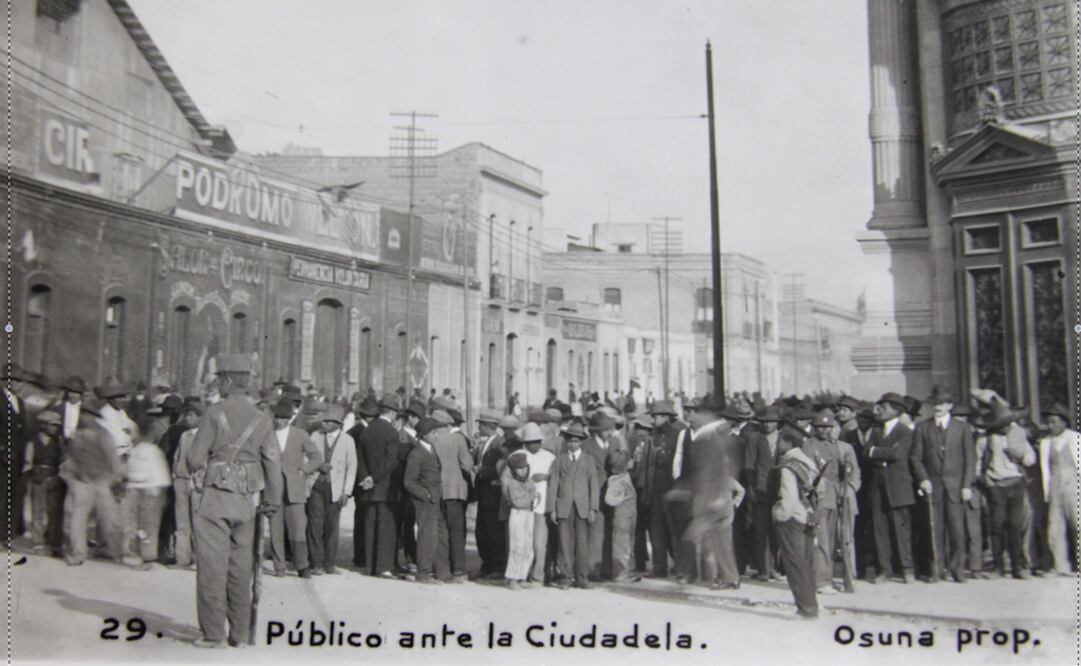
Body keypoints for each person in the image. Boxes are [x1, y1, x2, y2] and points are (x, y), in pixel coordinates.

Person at [187, 354, 282, 648]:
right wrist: (273, 501)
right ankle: (239, 634)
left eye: (219, 379)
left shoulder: (214, 413)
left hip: (216, 499)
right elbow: (273, 463)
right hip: (249, 502)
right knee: (241, 569)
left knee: (212, 568)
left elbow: (193, 459)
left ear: (227, 380)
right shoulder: (263, 417)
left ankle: (213, 633)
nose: (218, 383)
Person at [909, 386, 976, 583]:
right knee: (934, 530)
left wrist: (966, 485)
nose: (938, 407)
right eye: (935, 404)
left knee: (957, 531)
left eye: (942, 404)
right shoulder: (922, 428)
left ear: (949, 406)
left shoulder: (962, 428)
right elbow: (915, 458)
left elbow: (969, 459)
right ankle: (936, 570)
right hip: (933, 488)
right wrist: (923, 479)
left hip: (956, 488)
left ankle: (957, 570)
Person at [973, 389, 1035, 579]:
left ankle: (1018, 566)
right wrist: (986, 480)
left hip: (1015, 484)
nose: (1008, 427)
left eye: (1009, 423)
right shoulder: (986, 438)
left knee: (1015, 526)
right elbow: (977, 461)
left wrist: (1022, 457)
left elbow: (1031, 458)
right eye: (1004, 425)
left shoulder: (1018, 434)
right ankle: (998, 567)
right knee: (997, 525)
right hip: (996, 485)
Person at [684, 399, 744, 590]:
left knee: (700, 536)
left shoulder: (709, 438)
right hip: (720, 495)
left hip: (713, 496)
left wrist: (714, 496)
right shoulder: (719, 437)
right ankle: (729, 577)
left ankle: (716, 576)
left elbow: (712, 469)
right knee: (721, 539)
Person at [802, 409, 860, 594]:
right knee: (821, 540)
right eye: (820, 427)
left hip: (836, 496)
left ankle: (832, 577)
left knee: (836, 540)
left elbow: (846, 471)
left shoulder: (834, 445)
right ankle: (821, 581)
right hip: (819, 497)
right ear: (814, 428)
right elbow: (808, 473)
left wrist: (846, 485)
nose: (824, 430)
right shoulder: (809, 445)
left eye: (828, 427)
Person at [60, 401, 123, 566]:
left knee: (108, 519)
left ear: (94, 417)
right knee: (78, 518)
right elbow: (71, 458)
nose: (82, 417)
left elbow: (113, 460)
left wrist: (114, 478)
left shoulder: (103, 434)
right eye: (82, 414)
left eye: (86, 414)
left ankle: (113, 552)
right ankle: (79, 553)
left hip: (101, 481)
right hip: (83, 483)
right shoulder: (77, 435)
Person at [265, 397, 322, 578]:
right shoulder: (266, 435)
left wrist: (304, 470)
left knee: (297, 528)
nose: (280, 421)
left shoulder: (300, 434)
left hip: (295, 491)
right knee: (275, 529)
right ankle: (279, 566)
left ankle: (302, 565)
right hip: (272, 491)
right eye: (277, 417)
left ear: (290, 418)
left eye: (284, 418)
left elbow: (317, 458)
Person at [865, 392, 916, 583]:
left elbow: (897, 454)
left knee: (901, 529)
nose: (879, 410)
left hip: (899, 487)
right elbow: (865, 452)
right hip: (877, 487)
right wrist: (880, 454)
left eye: (884, 407)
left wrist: (876, 453)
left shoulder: (905, 432)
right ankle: (884, 569)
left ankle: (907, 569)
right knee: (880, 529)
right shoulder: (876, 431)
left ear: (896, 410)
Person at [547, 422, 599, 589]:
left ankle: (582, 578)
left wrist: (593, 508)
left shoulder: (589, 460)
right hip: (563, 507)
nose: (572, 444)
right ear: (566, 441)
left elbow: (594, 485)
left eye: (576, 441)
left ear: (581, 442)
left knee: (582, 543)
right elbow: (553, 484)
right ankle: (565, 577)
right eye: (570, 440)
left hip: (583, 508)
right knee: (564, 543)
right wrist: (552, 509)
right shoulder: (559, 460)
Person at [356, 394, 403, 579]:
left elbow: (360, 458)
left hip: (368, 488)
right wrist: (375, 478)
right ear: (391, 412)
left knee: (370, 525)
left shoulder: (367, 430)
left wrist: (366, 478)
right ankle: (384, 567)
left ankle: (369, 566)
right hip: (386, 488)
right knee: (387, 528)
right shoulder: (392, 432)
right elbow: (390, 461)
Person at [306, 405, 356, 575]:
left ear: (337, 424)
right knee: (315, 525)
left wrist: (346, 492)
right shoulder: (315, 436)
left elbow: (352, 467)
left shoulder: (347, 440)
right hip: (316, 486)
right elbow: (306, 457)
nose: (324, 424)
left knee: (332, 527)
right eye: (324, 421)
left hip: (335, 489)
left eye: (327, 422)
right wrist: (319, 465)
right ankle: (316, 563)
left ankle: (330, 564)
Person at [774, 445, 821, 619]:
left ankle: (805, 609)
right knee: (806, 565)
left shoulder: (788, 467)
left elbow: (789, 500)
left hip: (792, 519)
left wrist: (779, 515)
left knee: (795, 566)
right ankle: (811, 606)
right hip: (807, 517)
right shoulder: (808, 464)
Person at [403, 416, 452, 584]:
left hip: (435, 500)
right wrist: (426, 495)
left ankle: (442, 572)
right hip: (425, 501)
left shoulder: (430, 449)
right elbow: (409, 482)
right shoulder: (417, 454)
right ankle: (423, 574)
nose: (437, 435)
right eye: (434, 432)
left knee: (441, 535)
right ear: (424, 435)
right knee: (427, 536)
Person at [430, 398, 474, 581]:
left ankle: (442, 570)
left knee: (439, 531)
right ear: (448, 424)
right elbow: (467, 464)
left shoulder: (431, 441)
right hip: (455, 491)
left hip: (437, 490)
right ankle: (459, 570)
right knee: (456, 531)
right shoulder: (458, 440)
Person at [1037, 403, 1079, 576]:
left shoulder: (1075, 438)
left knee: (1078, 523)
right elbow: (1045, 468)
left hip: (1074, 484)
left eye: (1054, 422)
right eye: (1048, 422)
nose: (1050, 426)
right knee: (1055, 525)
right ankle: (1060, 565)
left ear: (1063, 422)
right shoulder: (1046, 443)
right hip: (1055, 485)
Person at [125, 421, 172, 570]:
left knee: (145, 526)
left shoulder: (140, 450)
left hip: (144, 491)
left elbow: (132, 472)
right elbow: (159, 475)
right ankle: (145, 556)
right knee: (146, 526)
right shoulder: (149, 450)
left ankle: (145, 557)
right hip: (148, 491)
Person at [474, 411, 512, 579]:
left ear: (488, 426)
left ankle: (497, 566)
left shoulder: (499, 444)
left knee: (493, 531)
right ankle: (487, 564)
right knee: (482, 531)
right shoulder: (486, 443)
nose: (478, 427)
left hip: (493, 494)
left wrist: (481, 470)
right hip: (484, 493)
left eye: (480, 424)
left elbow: (501, 469)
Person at [26, 410, 66, 556]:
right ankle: (38, 542)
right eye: (52, 425)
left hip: (54, 477)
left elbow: (63, 460)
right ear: (43, 425)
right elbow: (28, 460)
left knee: (55, 511)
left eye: (56, 426)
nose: (55, 428)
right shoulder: (33, 441)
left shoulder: (59, 441)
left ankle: (55, 543)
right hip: (38, 477)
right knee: (38, 510)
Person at [521, 421, 557, 585]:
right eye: (530, 442)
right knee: (524, 543)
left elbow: (556, 479)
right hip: (523, 507)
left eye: (537, 442)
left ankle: (538, 575)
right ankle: (522, 574)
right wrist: (530, 479)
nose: (534, 445)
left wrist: (547, 477)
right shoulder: (518, 456)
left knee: (539, 543)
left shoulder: (550, 457)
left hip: (542, 508)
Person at [582, 411, 615, 580]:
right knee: (596, 531)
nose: (609, 432)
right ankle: (593, 570)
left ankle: (607, 569)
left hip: (613, 493)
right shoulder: (586, 446)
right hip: (595, 493)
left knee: (610, 531)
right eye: (605, 429)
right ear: (596, 431)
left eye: (610, 428)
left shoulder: (613, 443)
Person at [1, 364, 31, 545]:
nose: (19, 384)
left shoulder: (19, 401)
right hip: (2, 456)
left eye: (20, 381)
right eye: (15, 380)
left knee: (14, 495)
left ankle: (8, 536)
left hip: (17, 457)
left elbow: (24, 431)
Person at [347, 396, 379, 569]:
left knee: (361, 517)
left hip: (360, 481)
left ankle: (361, 555)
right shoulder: (360, 433)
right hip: (365, 482)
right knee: (365, 517)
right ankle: (363, 555)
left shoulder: (352, 432)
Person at [170, 404, 201, 569]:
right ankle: (182, 559)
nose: (188, 419)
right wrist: (175, 473)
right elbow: (177, 455)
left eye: (191, 416)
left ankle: (198, 560)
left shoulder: (206, 436)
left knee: (198, 522)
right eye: (187, 416)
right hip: (181, 480)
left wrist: (197, 479)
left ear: (200, 417)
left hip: (196, 483)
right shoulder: (184, 435)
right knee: (181, 522)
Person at [503, 449, 538, 590]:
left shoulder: (530, 481)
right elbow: (518, 502)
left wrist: (530, 497)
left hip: (529, 514)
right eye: (519, 469)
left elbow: (532, 498)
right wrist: (531, 496)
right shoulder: (512, 483)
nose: (522, 471)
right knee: (517, 545)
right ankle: (512, 577)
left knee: (528, 546)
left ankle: (522, 576)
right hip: (517, 514)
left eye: (524, 468)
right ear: (513, 470)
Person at [605, 447, 639, 582]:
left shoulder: (625, 477)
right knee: (620, 546)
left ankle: (625, 570)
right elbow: (609, 500)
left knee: (626, 545)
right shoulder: (616, 480)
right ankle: (619, 573)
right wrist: (621, 497)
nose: (632, 461)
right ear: (623, 464)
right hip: (622, 518)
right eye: (629, 460)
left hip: (628, 517)